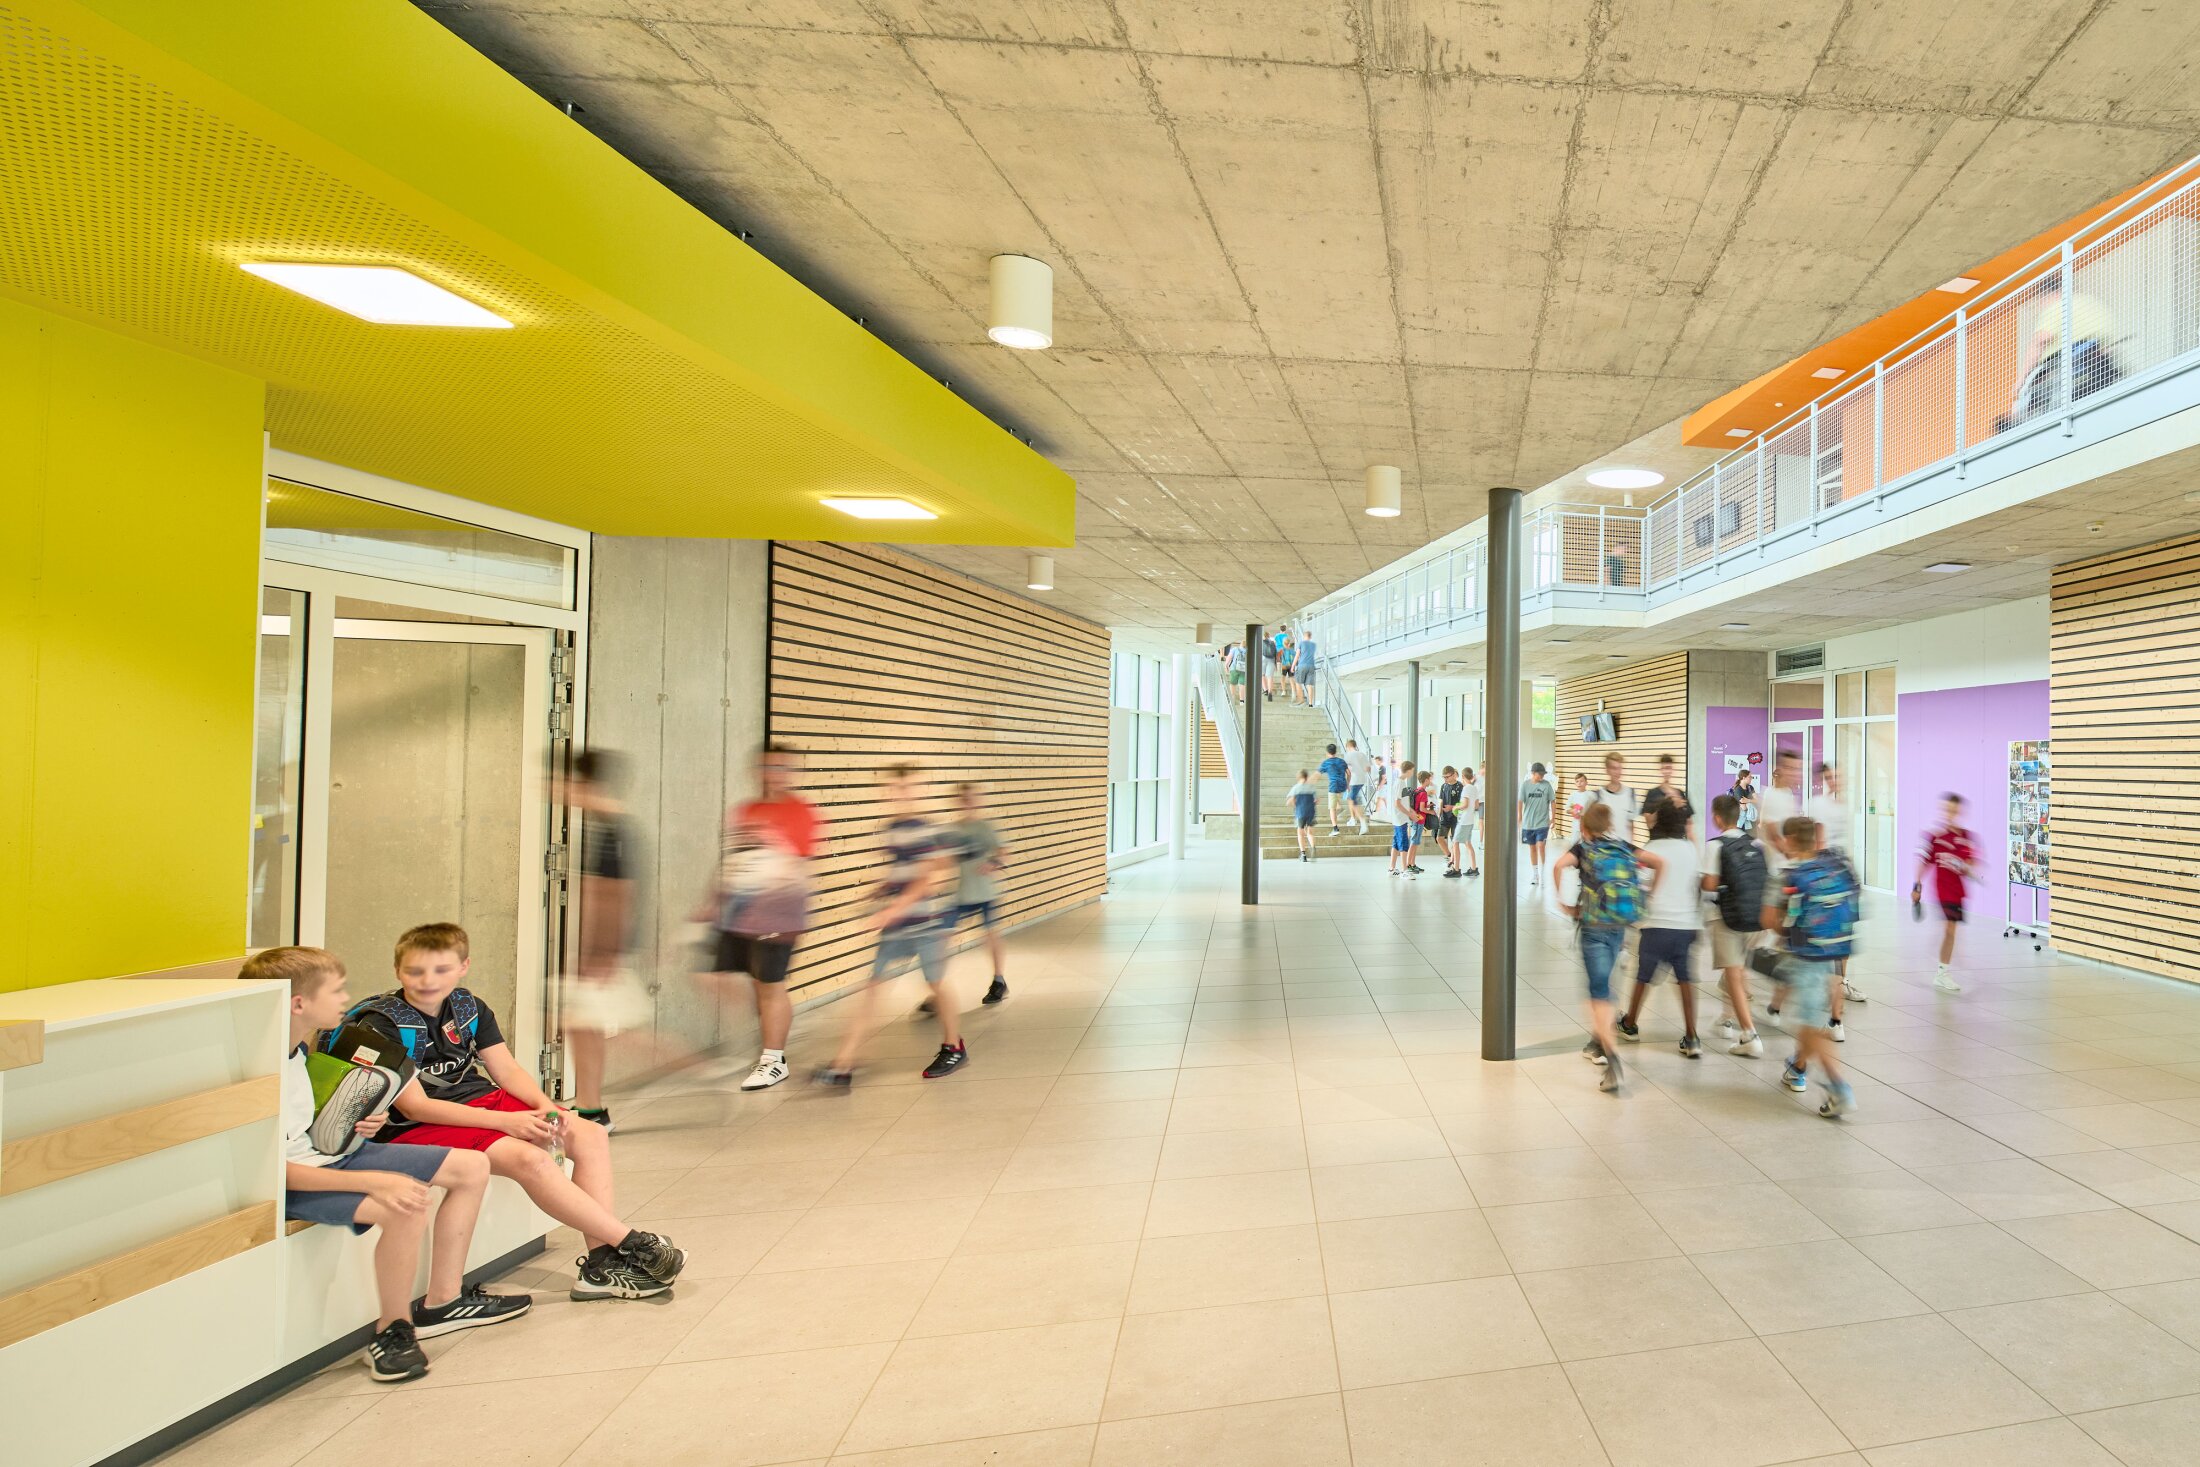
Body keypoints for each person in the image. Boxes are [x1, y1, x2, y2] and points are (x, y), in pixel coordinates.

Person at [343, 923, 686, 1302]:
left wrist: (544, 1107)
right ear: (397, 970)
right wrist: (506, 1122)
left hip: (480, 1101)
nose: (427, 980)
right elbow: (415, 1106)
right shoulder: (383, 1025)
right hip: (420, 1124)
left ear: (463, 967)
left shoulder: (468, 1007)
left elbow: (505, 1071)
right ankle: (631, 1242)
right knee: (529, 1159)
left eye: (441, 970)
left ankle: (601, 1263)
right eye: (414, 971)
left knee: (588, 1133)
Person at [254, 946, 528, 1382]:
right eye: (337, 990)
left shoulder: (297, 1052)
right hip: (301, 1180)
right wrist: (378, 1182)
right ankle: (394, 1330)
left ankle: (444, 1300)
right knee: (406, 1203)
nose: (346, 1000)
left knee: (471, 1167)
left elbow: (301, 1128)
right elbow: (269, 1169)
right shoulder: (256, 1070)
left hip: (335, 1156)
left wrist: (362, 1120)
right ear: (299, 1004)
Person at [815, 763, 968, 1085]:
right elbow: (902, 874)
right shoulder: (890, 829)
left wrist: (890, 910)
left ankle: (954, 1047)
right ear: (887, 792)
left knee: (936, 986)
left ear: (920, 791)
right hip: (898, 927)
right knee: (872, 990)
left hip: (928, 925)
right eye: (897, 789)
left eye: (910, 788)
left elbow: (925, 881)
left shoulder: (924, 829)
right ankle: (843, 1064)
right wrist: (878, 893)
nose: (903, 795)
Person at [703, 742, 820, 1091]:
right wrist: (712, 903)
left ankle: (773, 1059)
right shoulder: (746, 810)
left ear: (791, 773)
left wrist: (788, 918)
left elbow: (797, 870)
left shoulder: (800, 813)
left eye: (782, 768)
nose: (774, 775)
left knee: (770, 987)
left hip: (777, 914)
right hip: (741, 915)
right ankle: (772, 1042)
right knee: (745, 984)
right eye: (768, 767)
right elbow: (735, 862)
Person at [1554, 802, 1661, 1092]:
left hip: (1593, 928)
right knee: (1607, 986)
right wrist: (1649, 896)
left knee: (1598, 992)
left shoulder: (1582, 848)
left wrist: (1563, 903)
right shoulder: (1623, 846)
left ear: (1584, 828)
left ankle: (1611, 1056)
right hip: (1619, 926)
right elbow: (1659, 862)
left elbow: (1558, 866)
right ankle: (1597, 1041)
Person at [565, 749, 638, 1132]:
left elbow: (617, 895)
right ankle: (591, 1109)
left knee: (629, 1034)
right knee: (582, 1024)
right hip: (595, 952)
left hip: (603, 953)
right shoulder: (600, 825)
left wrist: (604, 954)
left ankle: (706, 1070)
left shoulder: (613, 829)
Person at [1771, 816, 1860, 1118]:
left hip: (1805, 953)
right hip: (1833, 949)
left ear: (1792, 840)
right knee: (1811, 1016)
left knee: (1809, 1023)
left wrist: (1781, 930)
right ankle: (1797, 1067)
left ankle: (1839, 1088)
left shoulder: (1791, 876)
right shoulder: (1834, 868)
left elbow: (1771, 921)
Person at [1616, 801, 1703, 1057]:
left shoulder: (1652, 848)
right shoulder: (1690, 849)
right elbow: (1697, 884)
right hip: (1685, 925)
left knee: (1643, 977)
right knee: (1685, 980)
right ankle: (1692, 1036)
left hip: (1656, 923)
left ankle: (1630, 1023)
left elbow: (1641, 883)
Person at [2000, 271, 2118, 430]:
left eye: (2038, 302)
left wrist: (2021, 380)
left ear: (2044, 296)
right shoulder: (2088, 302)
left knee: (2029, 394)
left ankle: (2017, 424)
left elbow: (2039, 341)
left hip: (2068, 364)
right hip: (2101, 362)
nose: (2040, 306)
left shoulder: (2057, 307)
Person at [1703, 794, 1769, 1058]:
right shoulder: (1754, 842)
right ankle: (1726, 1019)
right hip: (1755, 918)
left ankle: (1749, 1034)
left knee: (1734, 973)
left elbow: (1709, 885)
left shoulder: (1715, 846)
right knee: (1738, 972)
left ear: (1717, 818)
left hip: (1727, 917)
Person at [1810, 762, 1867, 1024]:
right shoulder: (1818, 805)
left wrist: (1852, 874)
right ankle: (1825, 984)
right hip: (1828, 871)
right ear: (1824, 780)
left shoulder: (1844, 806)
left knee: (1846, 929)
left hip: (1844, 869)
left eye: (1839, 777)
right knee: (1825, 930)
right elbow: (1819, 840)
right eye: (1830, 777)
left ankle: (1840, 981)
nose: (1836, 781)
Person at [945, 783, 1011, 1005]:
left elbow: (1003, 852)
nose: (968, 802)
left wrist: (992, 864)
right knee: (941, 938)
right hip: (961, 894)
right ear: (958, 801)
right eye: (964, 798)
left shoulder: (985, 827)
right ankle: (938, 988)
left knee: (991, 936)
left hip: (985, 893)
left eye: (972, 798)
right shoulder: (953, 830)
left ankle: (999, 981)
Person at [1756, 750, 1804, 1026]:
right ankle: (1734, 978)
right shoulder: (1773, 796)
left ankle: (1775, 1006)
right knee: (1781, 934)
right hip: (1778, 875)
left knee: (1789, 938)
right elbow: (1775, 835)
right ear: (1780, 769)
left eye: (1799, 769)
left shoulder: (1789, 797)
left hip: (1790, 874)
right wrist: (1797, 855)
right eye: (1791, 768)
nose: (1796, 773)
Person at [1913, 793, 1977, 993]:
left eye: (1953, 810)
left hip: (1958, 891)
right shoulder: (1934, 836)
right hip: (1942, 891)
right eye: (1946, 810)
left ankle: (1942, 970)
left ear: (1959, 811)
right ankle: (1942, 973)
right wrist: (1917, 885)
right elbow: (1923, 862)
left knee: (1951, 932)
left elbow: (1972, 863)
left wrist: (1965, 866)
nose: (1949, 814)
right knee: (1949, 928)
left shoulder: (1966, 837)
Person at [1584, 753, 1641, 846]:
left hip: (1623, 848)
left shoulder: (1630, 793)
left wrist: (1631, 846)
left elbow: (1631, 824)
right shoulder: (1597, 795)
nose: (1618, 772)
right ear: (1607, 770)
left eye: (1620, 768)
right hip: (1603, 848)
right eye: (1614, 768)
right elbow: (1585, 821)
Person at [1519, 762, 1555, 888]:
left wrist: (1553, 818)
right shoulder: (1525, 785)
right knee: (1532, 848)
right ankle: (1535, 874)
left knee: (1541, 846)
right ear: (1533, 773)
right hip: (1528, 823)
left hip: (1542, 822)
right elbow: (1520, 801)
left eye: (1543, 774)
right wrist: (1519, 816)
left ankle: (1543, 872)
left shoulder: (1547, 785)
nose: (1542, 776)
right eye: (1540, 774)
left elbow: (1552, 801)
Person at [1642, 753, 1693, 839]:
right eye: (1664, 768)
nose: (1666, 772)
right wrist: (1666, 805)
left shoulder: (1680, 794)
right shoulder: (1652, 793)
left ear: (1672, 770)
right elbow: (1649, 824)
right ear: (1660, 770)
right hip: (1657, 843)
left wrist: (1693, 848)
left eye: (1669, 768)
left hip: (1678, 843)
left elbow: (1689, 826)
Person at [1387, 759, 1419, 878]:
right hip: (1400, 819)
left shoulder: (1401, 782)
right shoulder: (1400, 783)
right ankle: (1404, 870)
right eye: (1412, 771)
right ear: (1409, 770)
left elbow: (1403, 802)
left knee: (1396, 843)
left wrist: (1411, 811)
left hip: (1400, 818)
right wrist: (1409, 814)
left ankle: (1392, 868)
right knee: (1403, 843)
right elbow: (1397, 803)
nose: (1413, 773)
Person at [1286, 769, 1319, 861]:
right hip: (1311, 813)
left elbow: (1291, 800)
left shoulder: (1296, 788)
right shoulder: (1311, 787)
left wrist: (1292, 803)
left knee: (1300, 833)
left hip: (1300, 812)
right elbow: (1316, 800)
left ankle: (1303, 855)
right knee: (1310, 833)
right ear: (1306, 777)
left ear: (1299, 777)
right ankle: (1313, 848)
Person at [1438, 766, 1465, 876]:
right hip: (1445, 817)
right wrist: (1439, 813)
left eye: (1447, 777)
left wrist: (1452, 807)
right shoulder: (1443, 786)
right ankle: (1450, 856)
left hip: (1455, 818)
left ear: (1453, 774)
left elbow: (1463, 804)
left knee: (1455, 842)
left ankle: (1455, 866)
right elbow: (1441, 800)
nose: (1445, 779)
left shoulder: (1460, 786)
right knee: (1439, 838)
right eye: (1443, 777)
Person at [1318, 743, 1351, 834]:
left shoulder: (1326, 762)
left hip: (1333, 786)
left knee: (1332, 808)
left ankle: (1335, 828)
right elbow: (1349, 773)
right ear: (1335, 752)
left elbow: (1318, 773)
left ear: (1327, 752)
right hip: (1342, 785)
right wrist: (1347, 784)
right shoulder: (1342, 761)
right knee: (1336, 801)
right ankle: (1340, 807)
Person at [1456, 767, 1482, 876]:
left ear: (1463, 776)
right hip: (1471, 819)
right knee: (1468, 844)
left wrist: (1455, 808)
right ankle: (1474, 868)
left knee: (1455, 843)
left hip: (1464, 820)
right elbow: (1476, 805)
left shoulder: (1466, 788)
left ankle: (1456, 869)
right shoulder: (1475, 788)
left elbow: (1465, 804)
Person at [1410, 768, 1436, 873]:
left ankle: (1412, 864)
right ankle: (1409, 865)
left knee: (1415, 843)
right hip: (1419, 821)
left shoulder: (1417, 790)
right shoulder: (1423, 793)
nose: (1430, 781)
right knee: (1414, 843)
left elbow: (1418, 806)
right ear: (1426, 780)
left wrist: (1428, 805)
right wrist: (1431, 812)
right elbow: (1421, 809)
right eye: (1429, 779)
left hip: (1415, 819)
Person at [1343, 739, 1371, 834]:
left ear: (1348, 746)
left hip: (1353, 780)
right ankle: (1352, 818)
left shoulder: (1349, 755)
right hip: (1361, 780)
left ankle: (1362, 822)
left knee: (1352, 800)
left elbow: (1346, 769)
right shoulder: (1362, 754)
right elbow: (1368, 768)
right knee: (1351, 799)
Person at [1731, 767, 1761, 835]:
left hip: (1752, 819)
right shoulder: (1738, 789)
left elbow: (1757, 800)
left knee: (1753, 839)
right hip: (1743, 821)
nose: (1751, 778)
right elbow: (1744, 807)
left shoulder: (1750, 787)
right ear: (1744, 778)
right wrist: (1752, 803)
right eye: (1750, 777)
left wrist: (1748, 800)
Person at [1292, 629, 1317, 705]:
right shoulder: (1314, 645)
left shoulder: (1301, 643)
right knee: (1309, 685)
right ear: (1310, 636)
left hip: (1302, 665)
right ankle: (1310, 703)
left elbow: (1297, 655)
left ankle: (1301, 699)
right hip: (1311, 665)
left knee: (1298, 682)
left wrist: (1292, 666)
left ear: (1304, 636)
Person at [1566, 772, 1591, 844]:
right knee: (1574, 844)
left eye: (1581, 781)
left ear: (1586, 782)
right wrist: (1573, 811)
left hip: (1587, 824)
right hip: (1576, 823)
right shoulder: (1573, 795)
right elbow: (1567, 809)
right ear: (1575, 783)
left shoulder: (1590, 795)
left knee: (1586, 844)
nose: (1579, 783)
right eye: (1577, 781)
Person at [1224, 640, 1247, 705]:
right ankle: (1242, 701)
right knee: (1242, 685)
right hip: (1244, 670)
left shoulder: (1235, 649)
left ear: (1240, 644)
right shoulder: (1249, 650)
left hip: (1234, 669)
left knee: (1233, 684)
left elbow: (1229, 658)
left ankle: (1232, 699)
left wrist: (1226, 665)